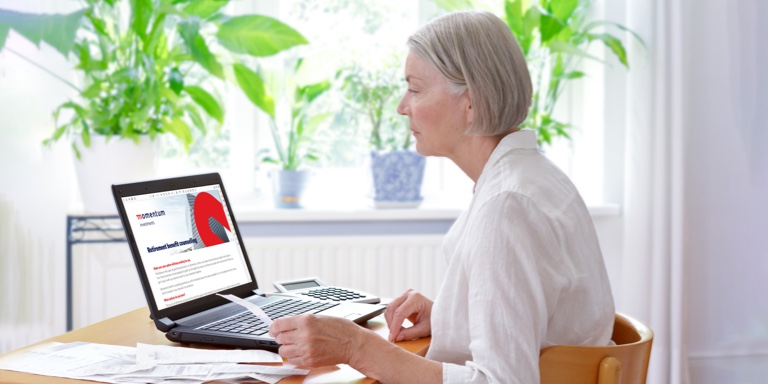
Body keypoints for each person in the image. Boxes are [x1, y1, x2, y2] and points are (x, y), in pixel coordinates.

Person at [269, 10, 615, 383]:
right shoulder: (534, 178)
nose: (403, 106)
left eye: (415, 89)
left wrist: (359, 347)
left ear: (471, 102)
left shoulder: (507, 204)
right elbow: (544, 318)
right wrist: (454, 316)